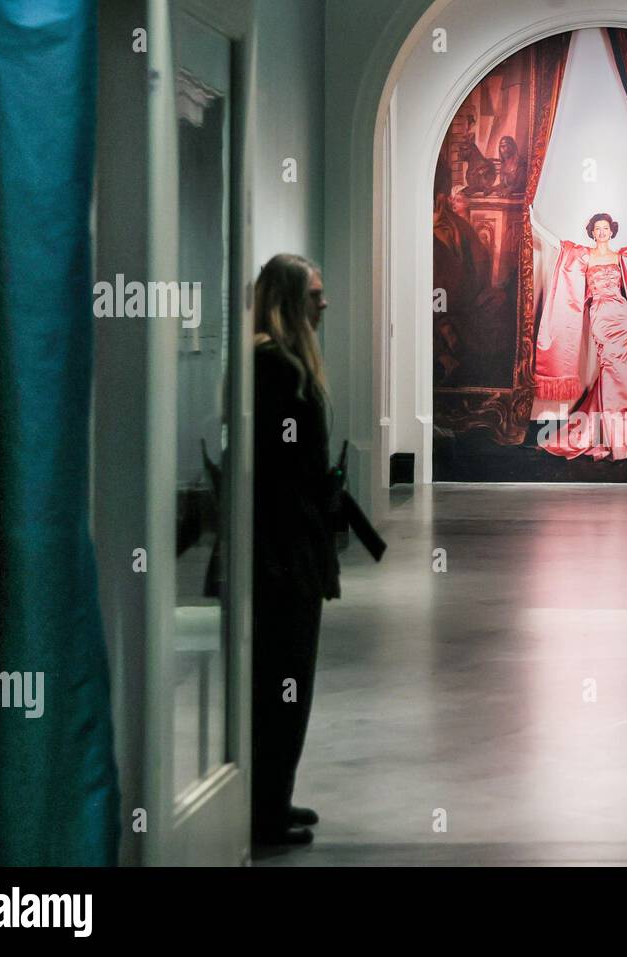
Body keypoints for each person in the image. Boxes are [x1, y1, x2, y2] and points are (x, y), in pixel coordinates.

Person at [250, 253, 341, 846]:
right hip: (284, 551)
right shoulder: (278, 369)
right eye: (314, 293)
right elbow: (284, 468)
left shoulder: (280, 364)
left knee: (287, 680)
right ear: (289, 300)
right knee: (284, 678)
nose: (323, 302)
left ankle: (273, 797)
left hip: (287, 544)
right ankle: (265, 808)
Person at [534, 212, 627, 460]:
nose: (602, 232)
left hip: (620, 315)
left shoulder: (620, 257)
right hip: (599, 316)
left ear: (612, 230)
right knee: (612, 368)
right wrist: (533, 220)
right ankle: (621, 442)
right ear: (592, 232)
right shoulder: (585, 256)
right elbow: (558, 244)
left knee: (620, 370)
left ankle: (618, 438)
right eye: (597, 228)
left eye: (605, 228)